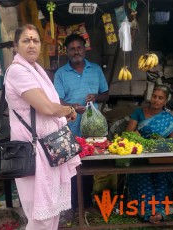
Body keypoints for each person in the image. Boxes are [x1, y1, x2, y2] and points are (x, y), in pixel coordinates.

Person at [4, 24, 80, 229]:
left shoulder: (36, 70)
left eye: (35, 40)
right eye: (26, 40)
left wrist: (62, 111)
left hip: (48, 151)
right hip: (33, 151)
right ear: (15, 45)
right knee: (41, 218)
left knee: (51, 214)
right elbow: (46, 107)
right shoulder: (17, 72)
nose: (31, 45)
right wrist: (69, 110)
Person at [53, 34, 109, 218]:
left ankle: (86, 203)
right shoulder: (61, 74)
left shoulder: (96, 70)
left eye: (79, 47)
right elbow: (58, 100)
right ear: (66, 51)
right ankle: (70, 205)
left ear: (85, 49)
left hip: (92, 130)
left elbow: (106, 95)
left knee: (88, 166)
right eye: (72, 48)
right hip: (69, 128)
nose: (76, 51)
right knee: (69, 169)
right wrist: (72, 107)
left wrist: (96, 96)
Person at [124, 85, 173, 223]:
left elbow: (171, 143)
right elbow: (127, 134)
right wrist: (135, 135)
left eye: (160, 98)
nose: (156, 100)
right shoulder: (139, 113)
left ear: (165, 101)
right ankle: (147, 211)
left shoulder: (169, 119)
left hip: (159, 157)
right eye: (154, 96)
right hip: (140, 156)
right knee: (143, 175)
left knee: (162, 175)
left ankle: (161, 211)